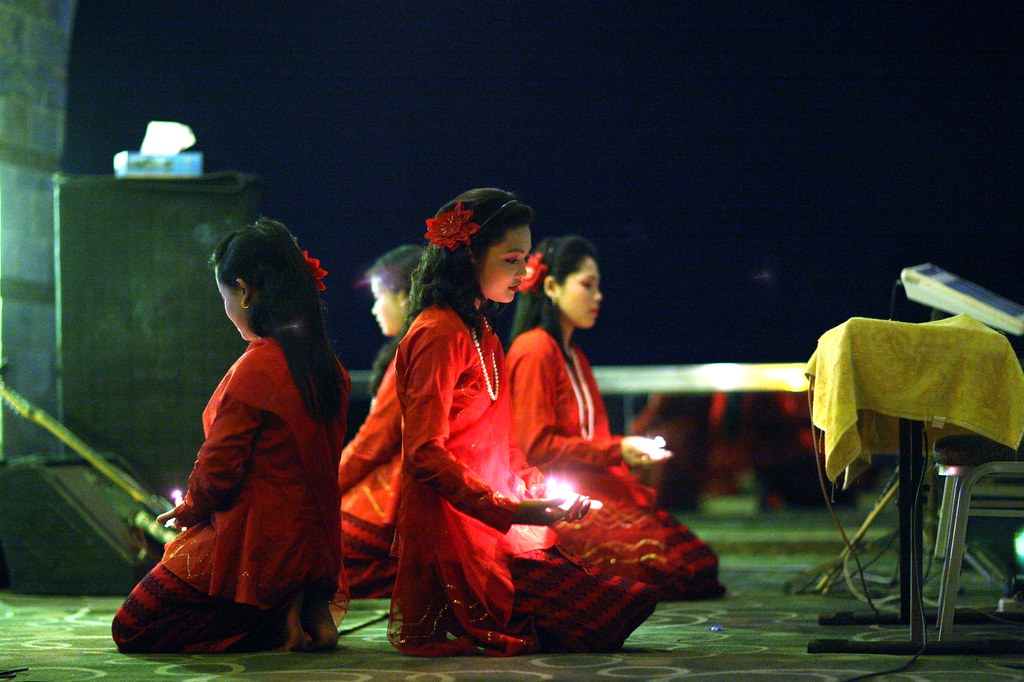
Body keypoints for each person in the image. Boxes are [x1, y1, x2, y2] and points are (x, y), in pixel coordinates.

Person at [389, 188, 658, 657]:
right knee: (607, 613)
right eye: (512, 259)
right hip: (457, 533)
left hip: (500, 524)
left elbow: (504, 445)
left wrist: (536, 490)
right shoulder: (436, 334)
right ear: (469, 255)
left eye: (526, 259)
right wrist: (512, 511)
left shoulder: (486, 336)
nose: (524, 272)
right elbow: (425, 455)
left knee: (628, 601)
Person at [111, 218, 351, 653]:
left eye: (223, 296)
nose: (226, 308)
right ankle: (297, 605)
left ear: (244, 291)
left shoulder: (260, 366)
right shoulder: (327, 366)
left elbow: (219, 467)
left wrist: (188, 512)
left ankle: (276, 617)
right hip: (314, 544)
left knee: (132, 626)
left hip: (257, 544)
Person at [507, 235, 725, 600]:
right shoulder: (534, 349)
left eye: (598, 286)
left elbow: (596, 438)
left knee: (697, 561)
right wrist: (618, 449)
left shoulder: (572, 354)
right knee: (674, 569)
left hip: (593, 487)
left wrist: (623, 450)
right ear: (550, 287)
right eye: (587, 285)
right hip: (559, 495)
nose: (598, 296)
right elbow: (536, 447)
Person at [337, 244, 422, 598]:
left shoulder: (411, 351)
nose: (373, 309)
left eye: (378, 297)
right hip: (405, 493)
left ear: (405, 297)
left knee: (300, 539)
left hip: (398, 499)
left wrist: (321, 484)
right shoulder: (414, 347)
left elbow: (373, 443)